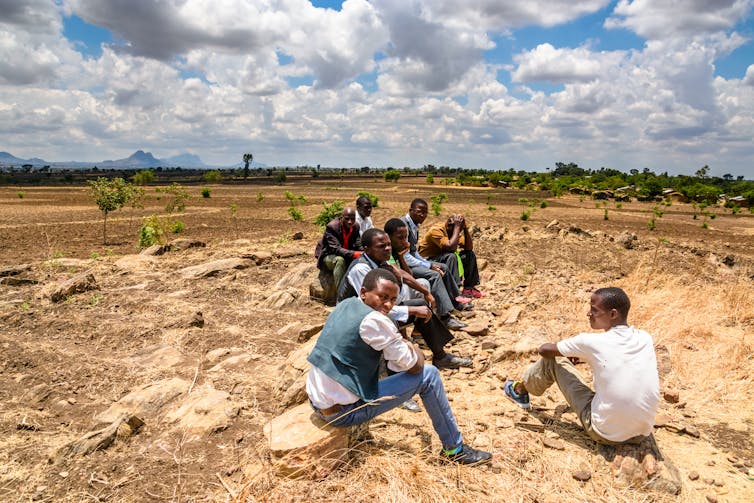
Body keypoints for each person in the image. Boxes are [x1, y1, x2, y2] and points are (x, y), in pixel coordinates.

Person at [306, 268, 492, 465]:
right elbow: (414, 367)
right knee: (429, 375)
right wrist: (413, 348)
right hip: (342, 413)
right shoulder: (374, 320)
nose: (387, 305)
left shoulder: (346, 304)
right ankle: (455, 450)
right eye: (382, 297)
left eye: (393, 300)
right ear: (363, 292)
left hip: (317, 403)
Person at [503, 287, 660, 445]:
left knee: (553, 361)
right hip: (641, 434)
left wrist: (574, 353)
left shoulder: (590, 342)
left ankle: (519, 391)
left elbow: (544, 350)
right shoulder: (645, 337)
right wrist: (584, 356)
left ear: (613, 314)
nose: (588, 314)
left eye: (594, 310)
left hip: (607, 434)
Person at [338, 228, 472, 370]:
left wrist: (426, 292)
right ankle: (394, 364)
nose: (388, 248)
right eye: (381, 246)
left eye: (389, 244)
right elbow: (373, 309)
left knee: (422, 306)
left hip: (372, 313)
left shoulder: (380, 261)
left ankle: (441, 356)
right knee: (415, 309)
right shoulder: (361, 268)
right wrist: (411, 310)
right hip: (356, 320)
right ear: (367, 249)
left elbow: (402, 274)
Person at [384, 218, 467, 331]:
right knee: (434, 276)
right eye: (400, 238)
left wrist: (401, 256)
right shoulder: (387, 251)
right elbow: (401, 274)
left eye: (405, 237)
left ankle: (454, 302)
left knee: (435, 275)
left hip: (404, 278)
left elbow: (408, 271)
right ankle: (444, 316)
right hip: (392, 294)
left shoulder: (401, 243)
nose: (404, 241)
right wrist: (427, 266)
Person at [401, 199, 471, 310]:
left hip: (416, 260)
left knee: (444, 267)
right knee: (435, 274)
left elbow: (414, 252)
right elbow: (405, 256)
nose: (423, 215)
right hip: (404, 264)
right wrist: (428, 265)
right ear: (411, 210)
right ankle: (446, 313)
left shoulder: (414, 225)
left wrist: (464, 228)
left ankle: (456, 299)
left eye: (425, 213)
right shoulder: (404, 226)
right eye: (420, 211)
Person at [418, 213, 484, 299]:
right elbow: (450, 247)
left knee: (468, 254)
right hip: (427, 260)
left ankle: (469, 288)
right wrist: (456, 228)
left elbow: (469, 247)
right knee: (451, 256)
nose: (458, 232)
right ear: (449, 226)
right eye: (457, 229)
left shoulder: (454, 232)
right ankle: (455, 293)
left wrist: (465, 228)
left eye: (459, 229)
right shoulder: (436, 230)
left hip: (442, 258)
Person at [314, 206, 363, 289]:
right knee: (340, 260)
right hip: (329, 256)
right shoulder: (332, 227)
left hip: (346, 254)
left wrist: (366, 252)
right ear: (342, 217)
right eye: (347, 219)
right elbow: (336, 249)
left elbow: (358, 244)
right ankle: (341, 295)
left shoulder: (356, 227)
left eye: (352, 219)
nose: (350, 222)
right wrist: (354, 254)